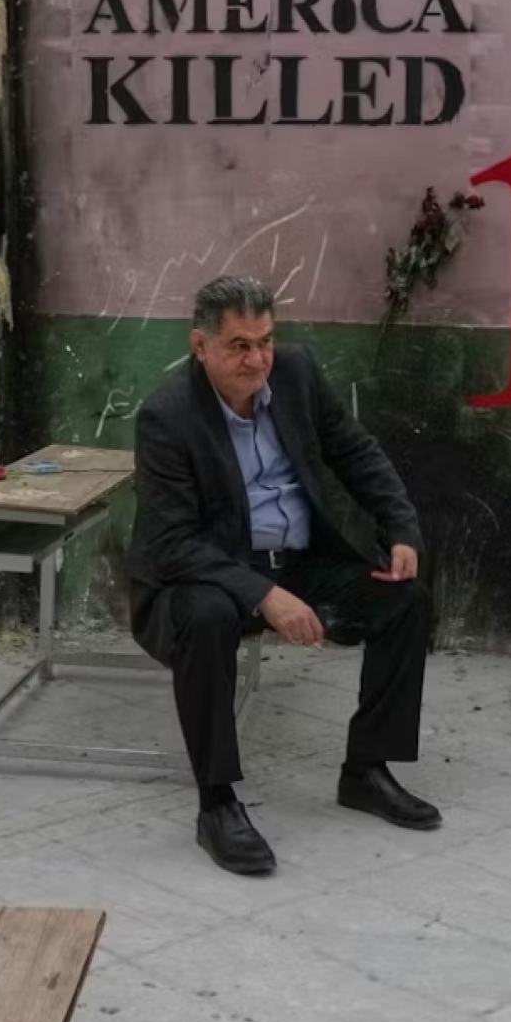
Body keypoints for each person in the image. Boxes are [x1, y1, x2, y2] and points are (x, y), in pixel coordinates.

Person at [129, 274, 439, 874]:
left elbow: (355, 449)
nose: (257, 359)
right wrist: (265, 596)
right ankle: (217, 804)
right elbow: (172, 543)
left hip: (299, 561)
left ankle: (367, 770)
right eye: (239, 346)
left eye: (265, 341)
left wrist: (401, 528)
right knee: (209, 617)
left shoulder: (295, 375)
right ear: (201, 347)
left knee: (405, 601)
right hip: (211, 572)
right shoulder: (166, 417)